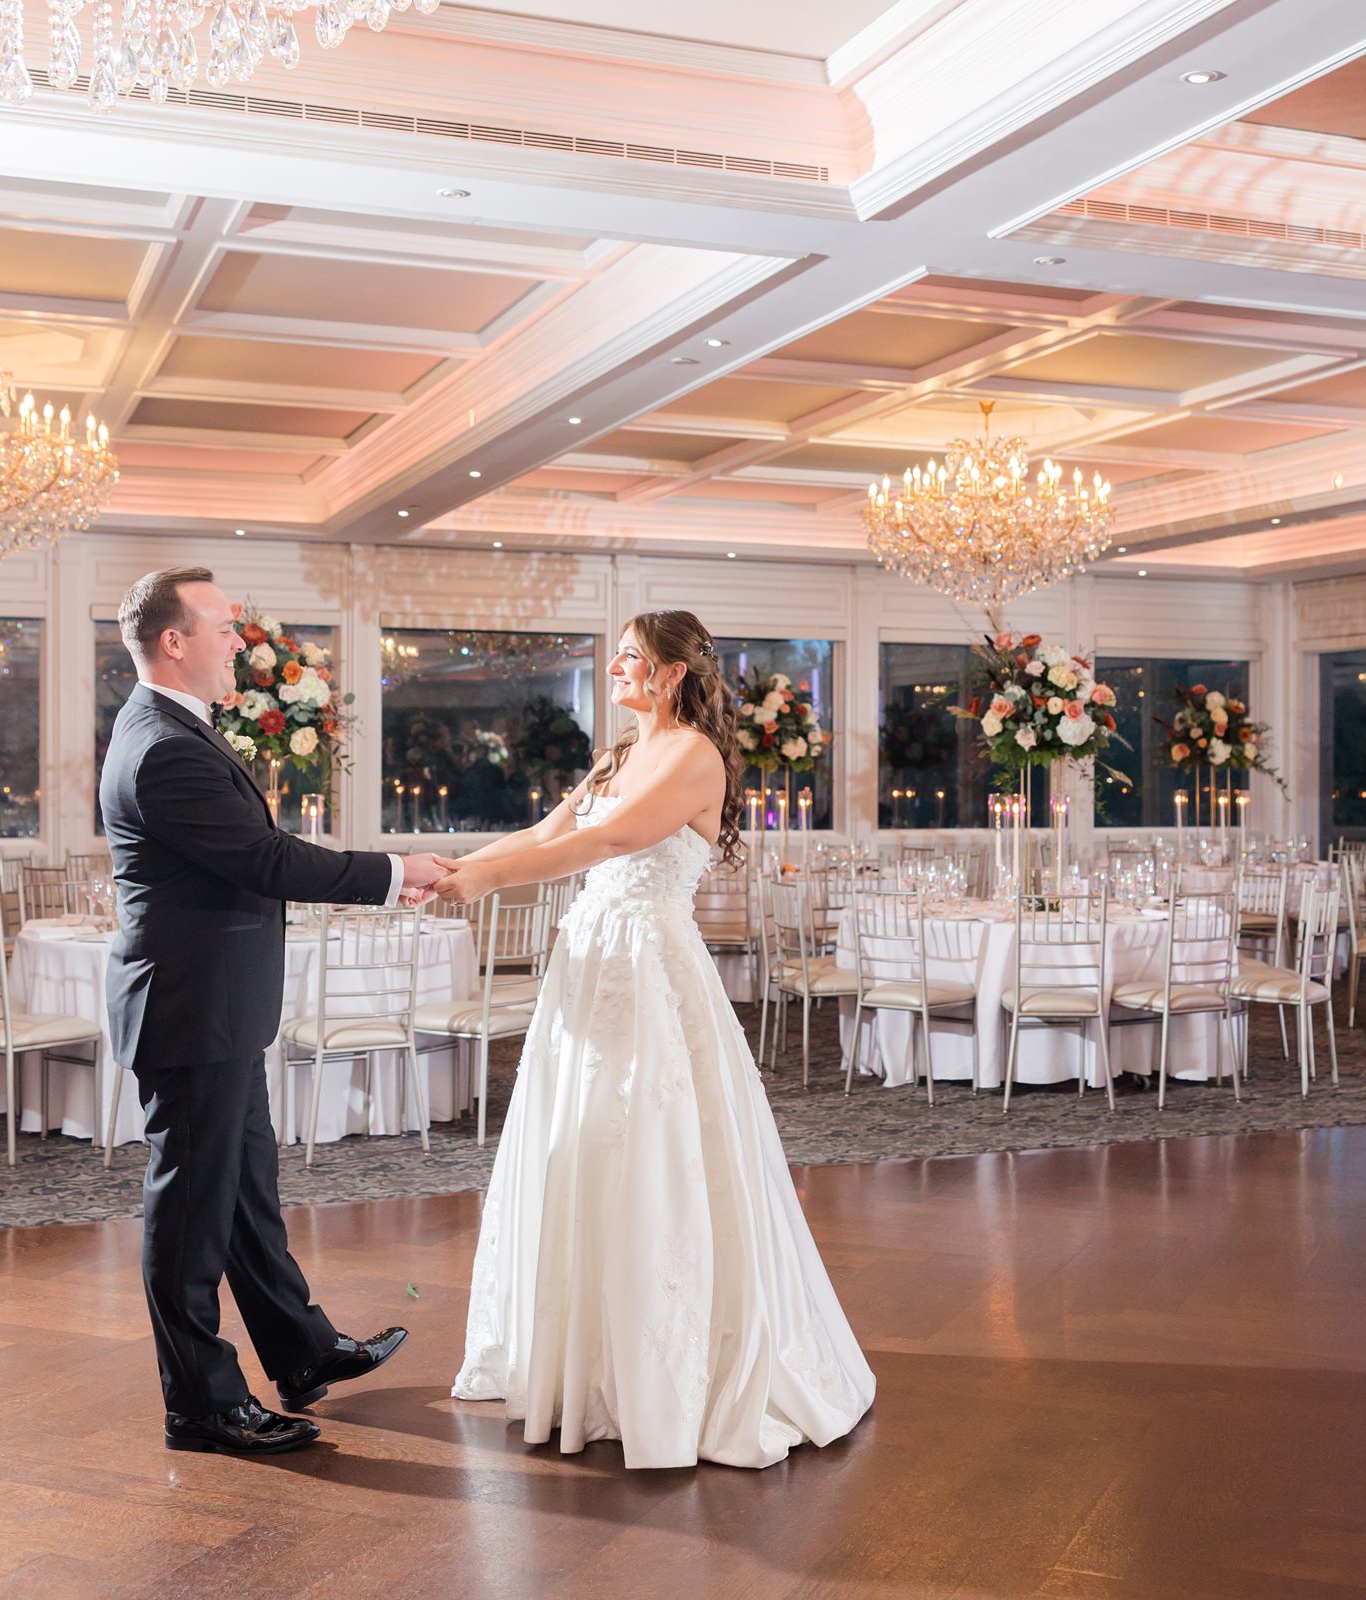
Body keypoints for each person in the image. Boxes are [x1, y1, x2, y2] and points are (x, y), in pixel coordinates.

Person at [434, 609, 874, 1469]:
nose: (616, 672)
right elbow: (548, 833)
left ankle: (663, 1373)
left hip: (647, 967)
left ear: (674, 672)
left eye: (632, 659)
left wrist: (486, 881)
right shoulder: (621, 755)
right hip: (591, 963)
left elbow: (612, 839)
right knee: (577, 1141)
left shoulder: (692, 756)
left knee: (648, 1145)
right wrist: (455, 870)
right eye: (616, 659)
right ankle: (581, 1360)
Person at [100, 565, 454, 1457]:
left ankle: (301, 1353)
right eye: (223, 627)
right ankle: (202, 1405)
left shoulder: (172, 729)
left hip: (216, 1009)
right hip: (191, 1011)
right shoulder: (165, 745)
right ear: (174, 641)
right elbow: (265, 861)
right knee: (188, 1221)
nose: (239, 642)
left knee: (245, 1198)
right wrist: (387, 871)